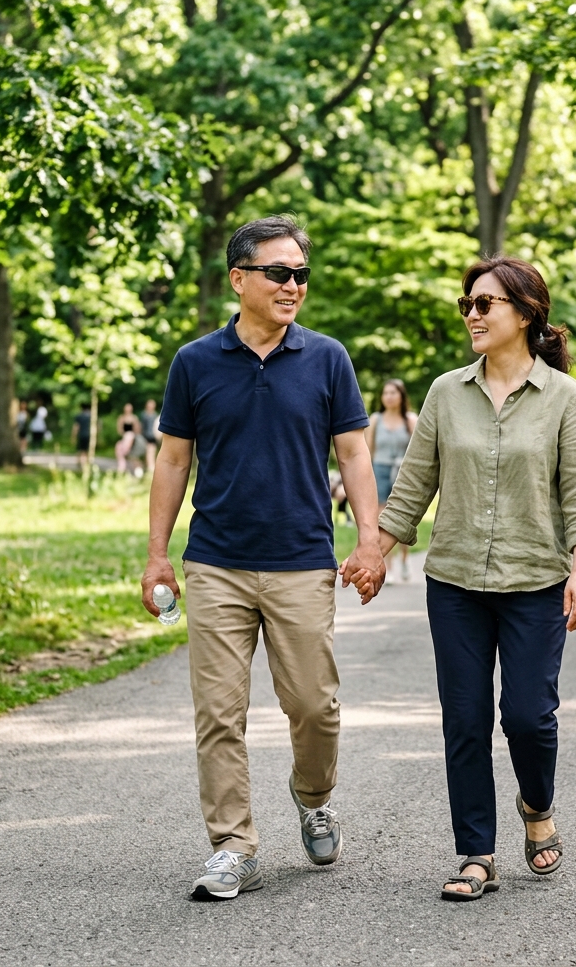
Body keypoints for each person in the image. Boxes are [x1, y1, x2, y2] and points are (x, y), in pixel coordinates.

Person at [140, 215, 385, 902]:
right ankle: (233, 846)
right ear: (239, 279)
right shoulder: (194, 362)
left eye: (301, 274)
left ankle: (313, 796)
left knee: (314, 705)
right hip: (215, 561)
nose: (293, 285)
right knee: (218, 713)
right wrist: (159, 556)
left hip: (302, 560)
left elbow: (355, 453)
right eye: (279, 272)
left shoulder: (328, 357)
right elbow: (174, 460)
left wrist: (369, 538)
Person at [347, 255, 576, 902]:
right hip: (455, 582)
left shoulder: (564, 398)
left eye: (485, 304)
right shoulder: (444, 393)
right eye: (467, 304)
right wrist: (375, 551)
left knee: (527, 716)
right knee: (463, 719)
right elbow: (412, 489)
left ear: (525, 312)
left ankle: (537, 807)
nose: (472, 314)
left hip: (535, 583)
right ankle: (476, 853)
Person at [366, 379, 417, 582]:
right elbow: (368, 450)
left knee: (401, 518)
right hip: (380, 469)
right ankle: (388, 566)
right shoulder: (376, 419)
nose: (389, 396)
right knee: (382, 521)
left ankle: (404, 559)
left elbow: (419, 451)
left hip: (402, 473)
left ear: (401, 396)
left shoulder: (411, 419)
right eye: (385, 393)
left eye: (393, 393)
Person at [114, 403, 141, 475]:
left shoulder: (134, 418)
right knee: (121, 453)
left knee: (133, 455)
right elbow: (119, 429)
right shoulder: (122, 418)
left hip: (132, 438)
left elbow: (137, 429)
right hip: (125, 438)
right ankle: (122, 469)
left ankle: (137, 471)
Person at [139, 399, 161, 474]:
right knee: (146, 453)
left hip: (153, 437)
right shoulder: (143, 415)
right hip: (144, 436)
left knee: (151, 453)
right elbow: (141, 426)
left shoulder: (155, 415)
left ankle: (151, 469)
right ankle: (148, 469)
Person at [71, 402, 93, 470]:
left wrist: (73, 436)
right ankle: (85, 464)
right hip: (89, 435)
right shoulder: (91, 416)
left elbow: (76, 427)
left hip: (81, 435)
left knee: (80, 449)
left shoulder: (79, 416)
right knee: (86, 450)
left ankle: (79, 464)